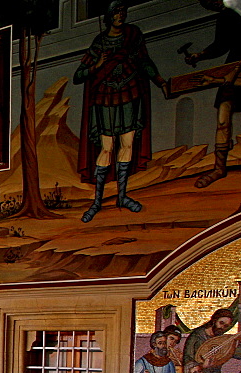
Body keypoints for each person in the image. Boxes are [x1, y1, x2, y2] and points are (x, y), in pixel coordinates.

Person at [74, 0, 166, 223]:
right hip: (105, 98)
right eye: (116, 11)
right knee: (106, 148)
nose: (120, 15)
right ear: (108, 15)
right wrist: (98, 65)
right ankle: (97, 202)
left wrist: (160, 81)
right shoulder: (100, 42)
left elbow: (145, 62)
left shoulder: (133, 35)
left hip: (130, 94)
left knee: (127, 144)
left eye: (123, 11)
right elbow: (79, 75)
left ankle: (122, 196)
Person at [183, 0, 241, 188]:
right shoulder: (224, 17)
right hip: (234, 64)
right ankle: (219, 168)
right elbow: (221, 45)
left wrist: (234, 71)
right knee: (223, 117)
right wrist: (199, 55)